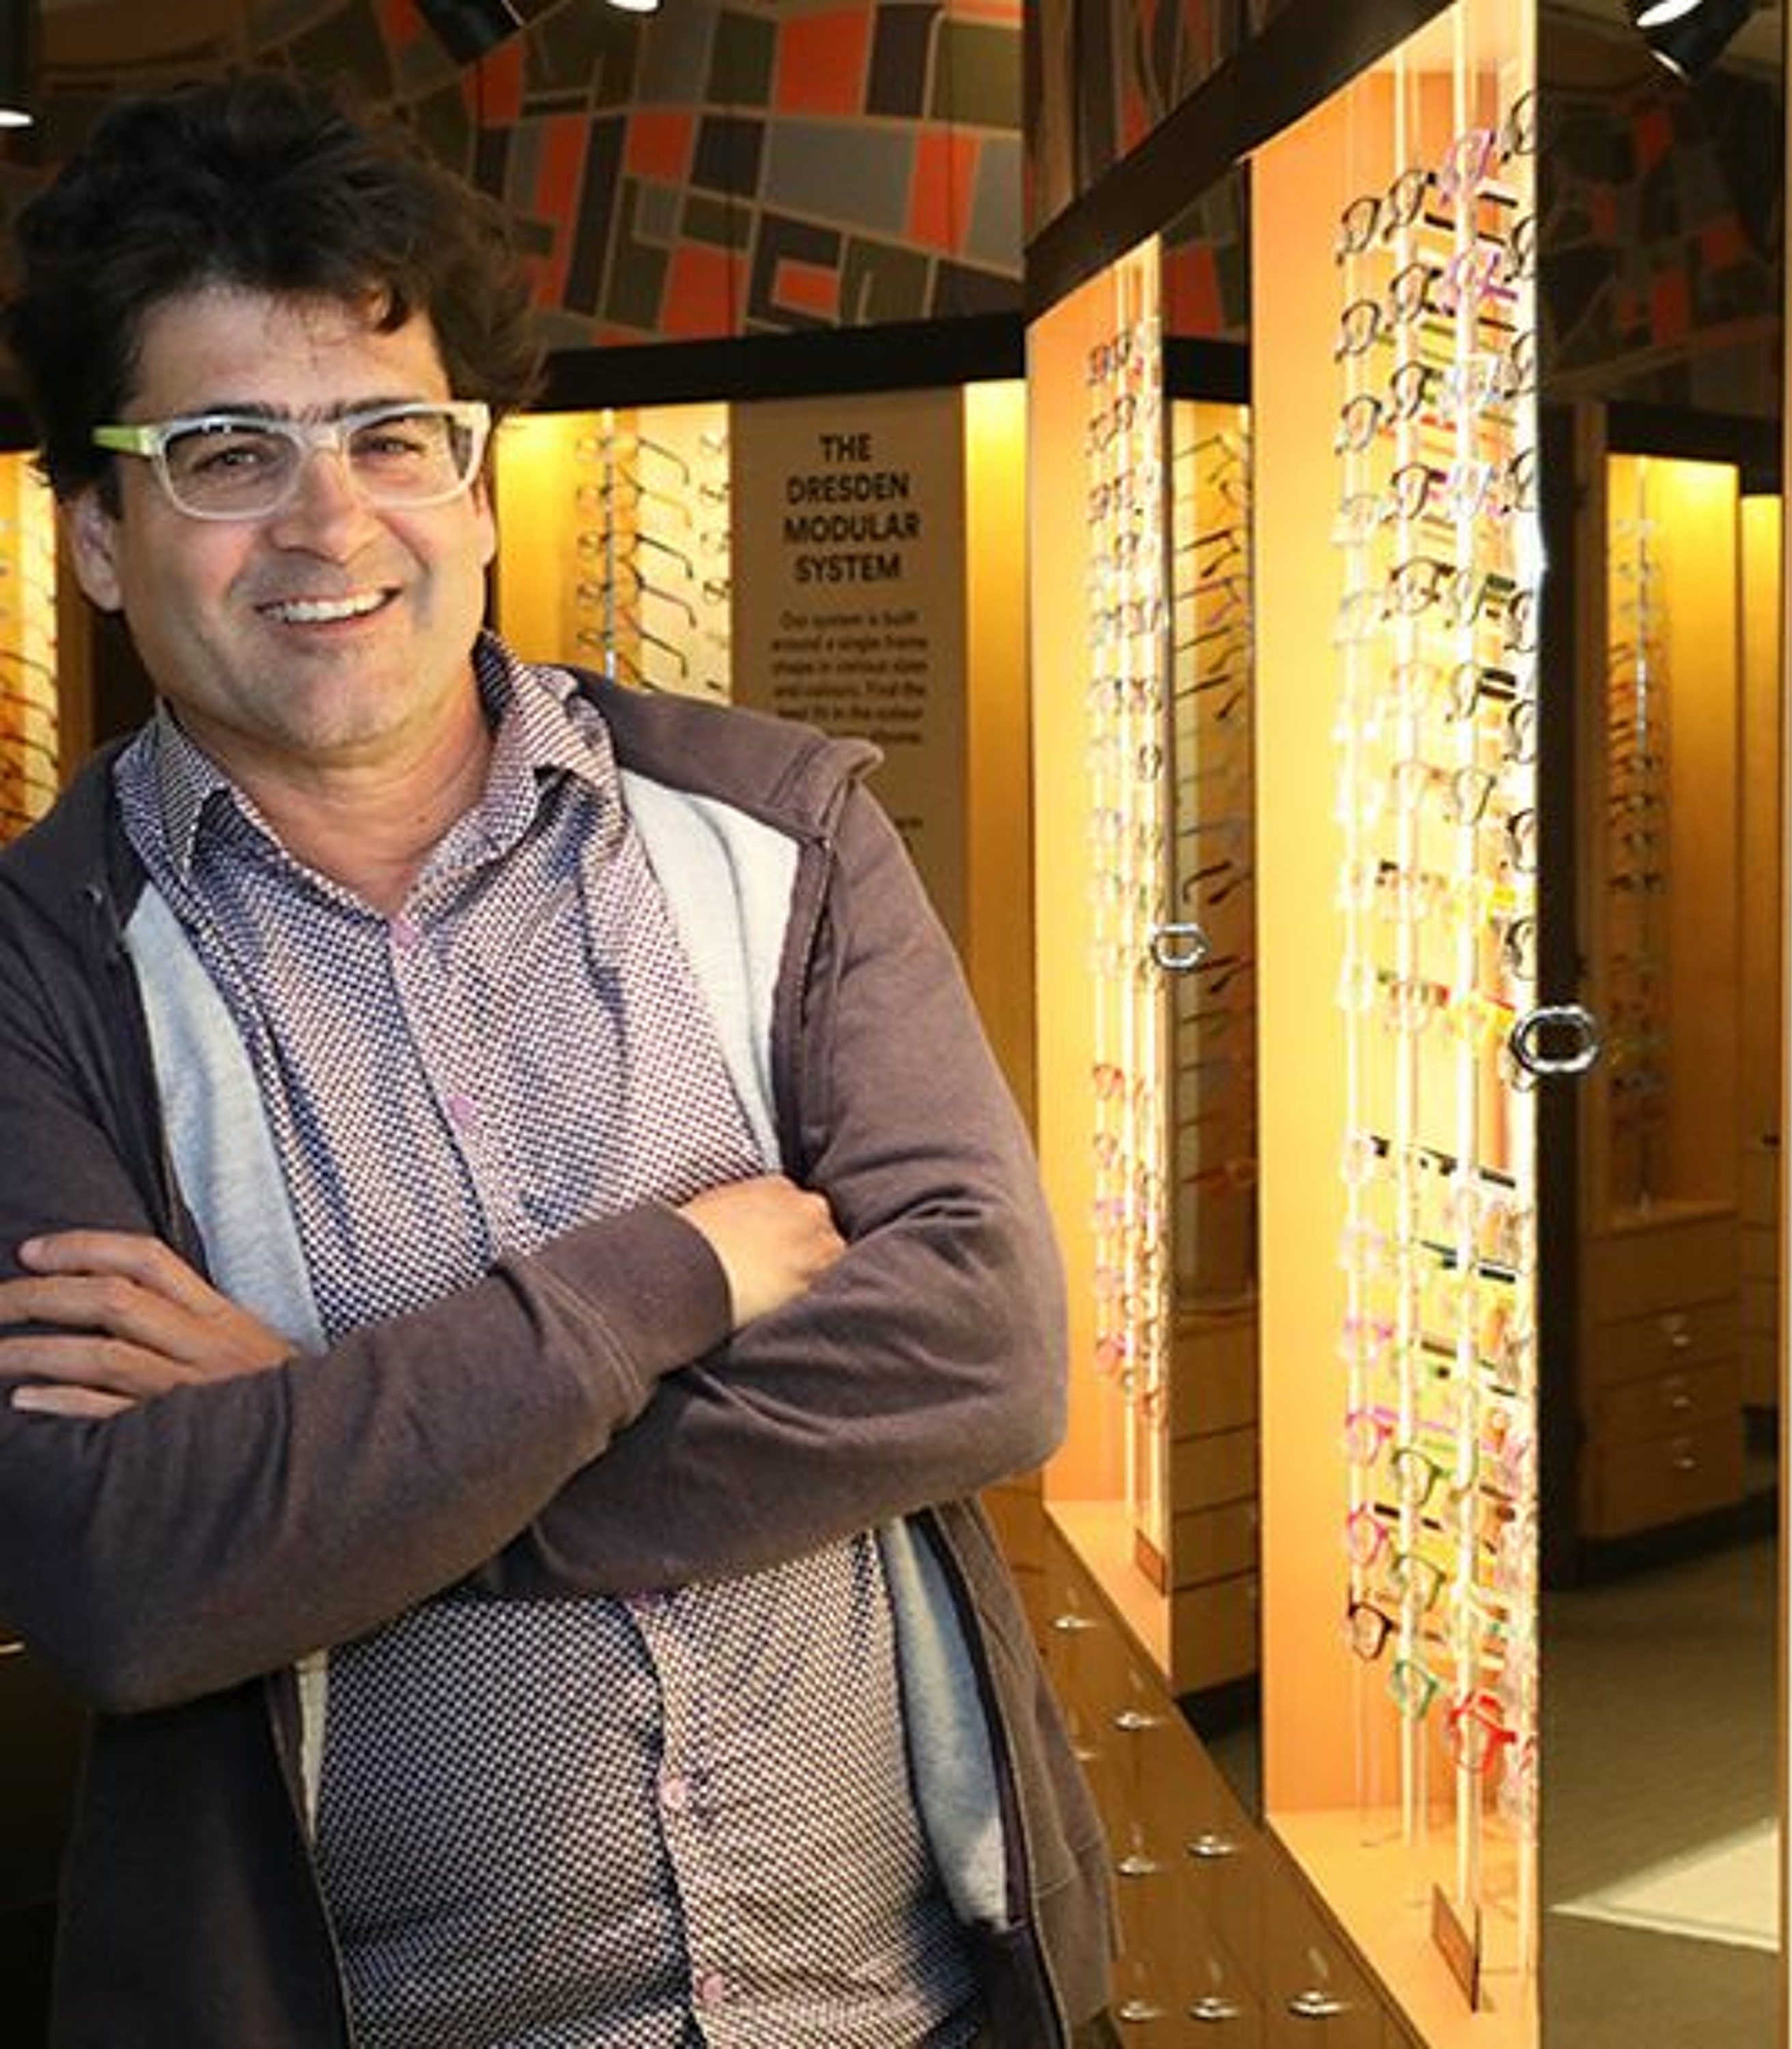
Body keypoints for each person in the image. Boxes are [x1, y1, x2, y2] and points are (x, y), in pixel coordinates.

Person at [0, 72, 1111, 2048]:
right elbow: (127, 1577)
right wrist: (667, 1280)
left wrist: (340, 1458)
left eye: (393, 436)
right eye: (226, 453)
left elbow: (988, 1349)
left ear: (480, 483)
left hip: (911, 2009)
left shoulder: (778, 831)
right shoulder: (40, 974)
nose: (331, 521)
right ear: (96, 530)